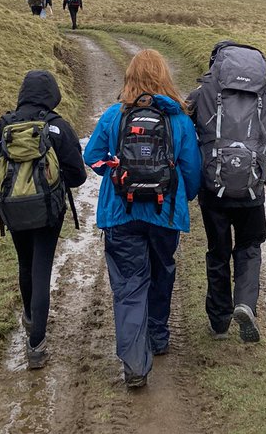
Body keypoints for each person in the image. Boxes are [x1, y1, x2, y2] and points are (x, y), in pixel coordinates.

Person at [84, 49, 201, 388]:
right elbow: (191, 169)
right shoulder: (179, 119)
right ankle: (158, 337)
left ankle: (135, 364)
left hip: (122, 213)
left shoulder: (113, 116)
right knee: (162, 271)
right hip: (164, 213)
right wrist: (182, 197)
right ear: (164, 77)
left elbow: (92, 156)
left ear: (130, 78)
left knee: (129, 284)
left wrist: (115, 174)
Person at [0, 70, 87, 368]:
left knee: (25, 263)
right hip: (49, 212)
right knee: (41, 268)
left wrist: (14, 191)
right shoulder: (57, 127)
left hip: (13, 210)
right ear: (52, 95)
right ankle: (36, 344)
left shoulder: (2, 127)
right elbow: (78, 176)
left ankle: (28, 316)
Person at [187, 40, 266, 344]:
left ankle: (219, 321)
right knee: (250, 246)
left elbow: (189, 131)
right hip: (252, 188)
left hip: (213, 188)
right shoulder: (265, 96)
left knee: (218, 252)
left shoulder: (203, 94)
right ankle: (245, 303)